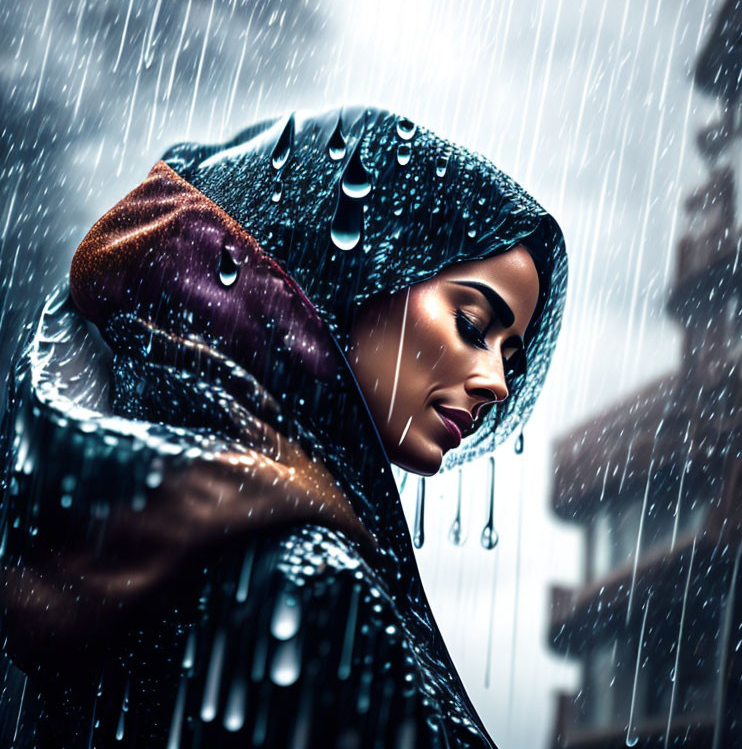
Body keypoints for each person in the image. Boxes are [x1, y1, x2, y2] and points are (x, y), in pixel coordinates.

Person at [0, 107, 567, 748]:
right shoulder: (314, 586)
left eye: (511, 356)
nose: (497, 383)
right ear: (352, 274)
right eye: (472, 324)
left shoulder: (148, 523)